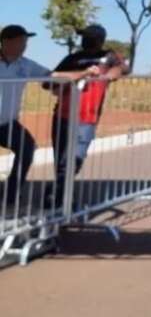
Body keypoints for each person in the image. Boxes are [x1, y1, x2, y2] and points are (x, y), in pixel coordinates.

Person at [0, 25, 95, 211]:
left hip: (6, 124)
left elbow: (53, 76)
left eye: (25, 42)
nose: (24, 46)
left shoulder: (25, 65)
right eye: (21, 41)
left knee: (26, 148)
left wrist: (82, 74)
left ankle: (10, 195)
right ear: (7, 42)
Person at [50, 24, 126, 207]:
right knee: (61, 161)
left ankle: (58, 197)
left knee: (74, 159)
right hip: (63, 115)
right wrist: (79, 75)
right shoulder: (72, 58)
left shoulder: (109, 56)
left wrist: (106, 76)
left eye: (89, 37)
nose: (85, 40)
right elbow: (51, 80)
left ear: (100, 40)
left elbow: (121, 69)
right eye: (84, 36)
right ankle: (62, 200)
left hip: (87, 117)